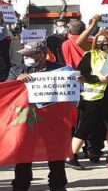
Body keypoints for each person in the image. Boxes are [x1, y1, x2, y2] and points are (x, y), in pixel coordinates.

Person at [6, 41, 68, 191]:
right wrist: (16, 81)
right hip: (27, 119)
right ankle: (20, 184)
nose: (25, 57)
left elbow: (73, 90)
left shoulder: (60, 70)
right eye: (24, 54)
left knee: (56, 154)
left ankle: (58, 185)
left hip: (53, 120)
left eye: (29, 54)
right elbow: (7, 89)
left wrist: (78, 82)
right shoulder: (17, 70)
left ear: (41, 54)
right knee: (24, 155)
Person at [66, 31, 108, 170]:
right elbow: (81, 75)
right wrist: (98, 79)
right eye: (99, 41)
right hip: (93, 98)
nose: (102, 44)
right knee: (85, 127)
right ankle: (71, 156)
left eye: (105, 41)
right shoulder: (91, 55)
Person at [0, 12, 11, 81]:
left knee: (5, 58)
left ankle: (7, 73)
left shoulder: (3, 24)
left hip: (2, 43)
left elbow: (4, 34)